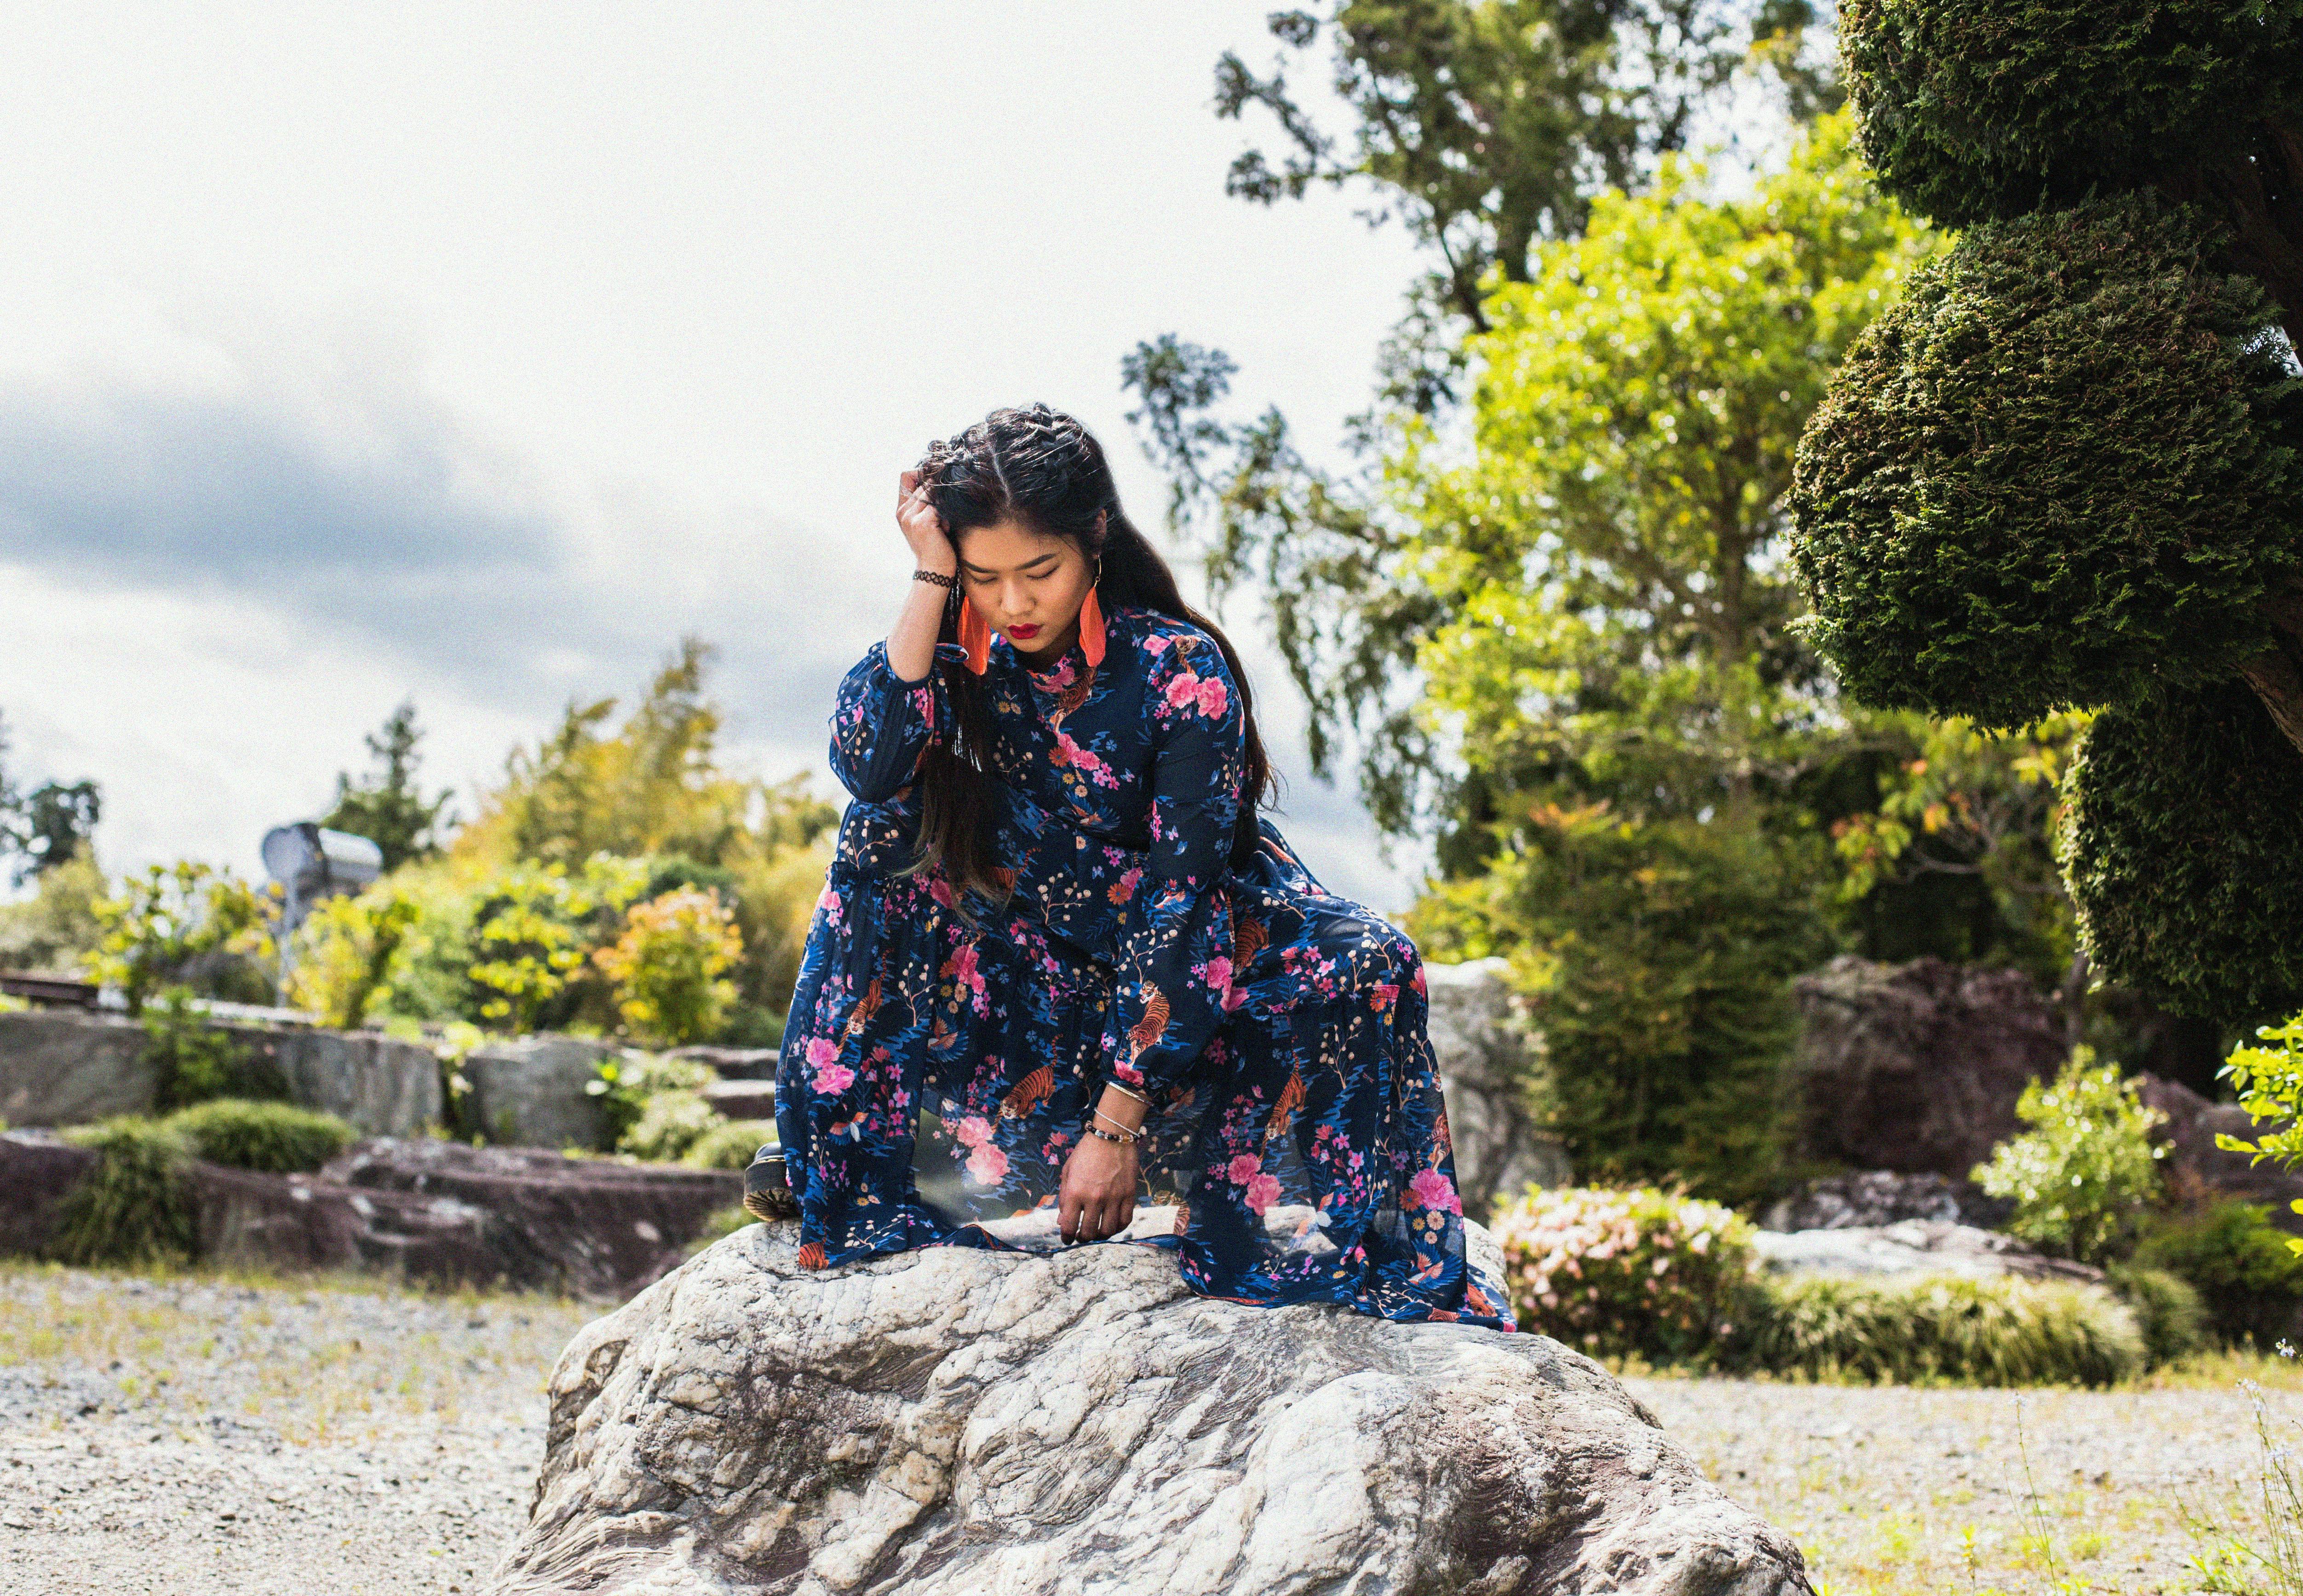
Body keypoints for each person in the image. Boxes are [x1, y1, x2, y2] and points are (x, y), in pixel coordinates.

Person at [750, 403, 1510, 1329]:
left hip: (1179, 971)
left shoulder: (1176, 671)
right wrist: (930, 576)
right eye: (985, 577)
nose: (1016, 603)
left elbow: (1181, 901)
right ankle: (839, 1154)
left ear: (1092, 540)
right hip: (1028, 971)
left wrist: (1116, 1121)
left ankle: (1292, 1230)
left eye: (1040, 571)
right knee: (882, 823)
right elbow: (865, 762)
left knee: (1369, 957)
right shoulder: (950, 656)